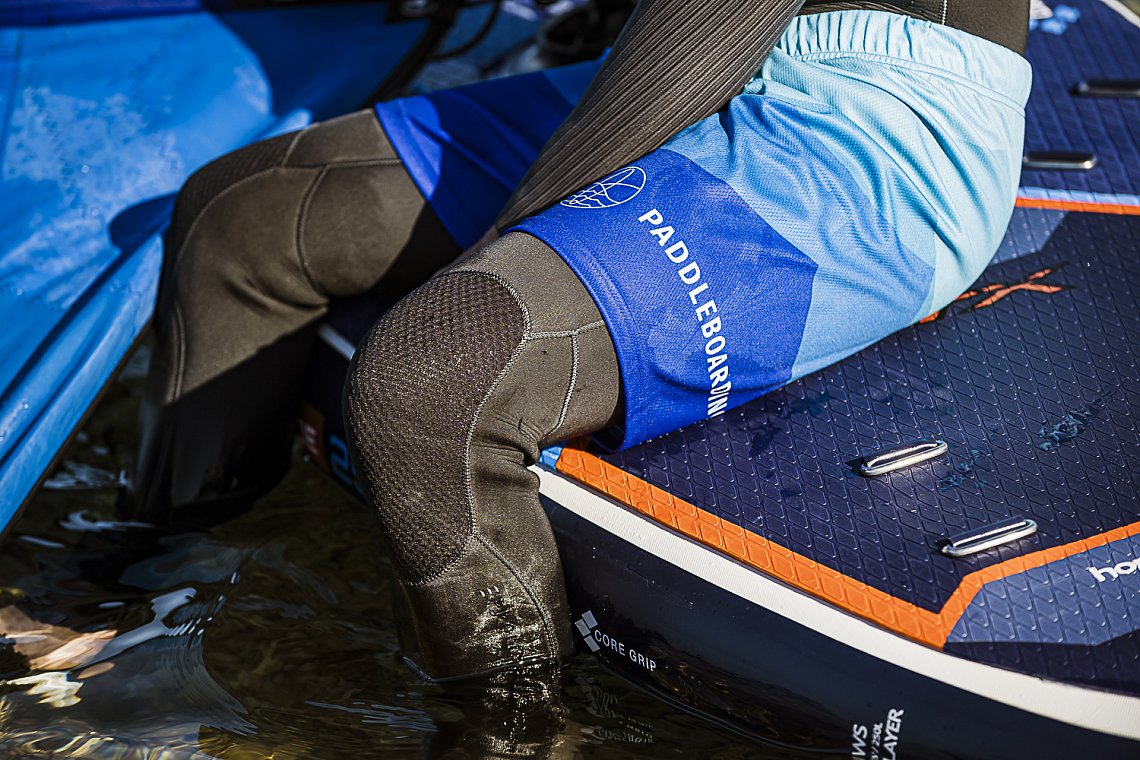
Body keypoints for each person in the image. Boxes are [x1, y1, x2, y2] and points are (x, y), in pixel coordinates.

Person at [129, 0, 1031, 697]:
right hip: (704, 56)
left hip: (874, 125)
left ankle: (514, 735)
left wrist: (492, 261)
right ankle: (149, 596)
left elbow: (705, 31)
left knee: (430, 385)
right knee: (242, 220)